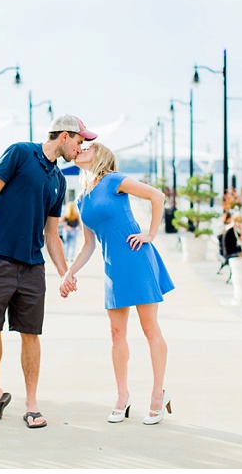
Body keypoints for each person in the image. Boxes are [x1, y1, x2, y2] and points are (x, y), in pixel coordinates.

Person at [0, 114, 97, 429]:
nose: (81, 148)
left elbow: (51, 234)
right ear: (64, 135)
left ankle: (31, 403)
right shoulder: (20, 153)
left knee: (31, 333)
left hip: (32, 266)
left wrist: (65, 272)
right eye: (79, 141)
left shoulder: (59, 180)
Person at [60, 142, 175, 425]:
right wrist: (69, 271)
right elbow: (88, 244)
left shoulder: (114, 180)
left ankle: (158, 394)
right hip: (112, 267)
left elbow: (157, 196)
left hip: (137, 258)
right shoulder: (81, 199)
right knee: (116, 333)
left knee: (149, 329)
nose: (81, 149)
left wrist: (150, 234)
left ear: (100, 156)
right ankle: (122, 397)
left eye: (88, 148)